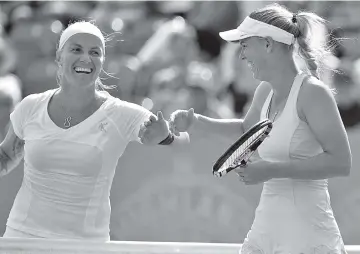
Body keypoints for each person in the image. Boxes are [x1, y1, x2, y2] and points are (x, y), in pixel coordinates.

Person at [169, 3, 352, 253]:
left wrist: (272, 170)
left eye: (245, 45)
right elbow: (247, 129)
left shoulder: (313, 93)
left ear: (268, 44)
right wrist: (197, 123)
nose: (241, 55)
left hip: (308, 235)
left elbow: (341, 162)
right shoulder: (265, 90)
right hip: (265, 229)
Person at [0, 21, 189, 241]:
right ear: (59, 57)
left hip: (86, 246)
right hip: (22, 240)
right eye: (76, 49)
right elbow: (6, 156)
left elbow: (178, 141)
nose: (85, 58)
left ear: (102, 62)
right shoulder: (30, 106)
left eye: (95, 52)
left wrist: (164, 136)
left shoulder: (121, 114)